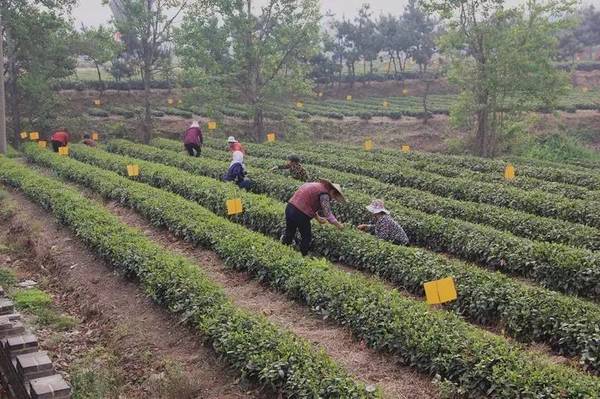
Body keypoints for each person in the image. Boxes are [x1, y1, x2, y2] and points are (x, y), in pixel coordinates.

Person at [283, 179, 345, 256]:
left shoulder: (317, 186)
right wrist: (338, 225)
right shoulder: (325, 194)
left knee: (289, 231)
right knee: (306, 236)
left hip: (290, 207)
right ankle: (303, 256)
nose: (332, 199)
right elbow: (327, 213)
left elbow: (308, 202)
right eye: (334, 196)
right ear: (332, 191)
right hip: (300, 213)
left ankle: (283, 252)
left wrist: (318, 218)